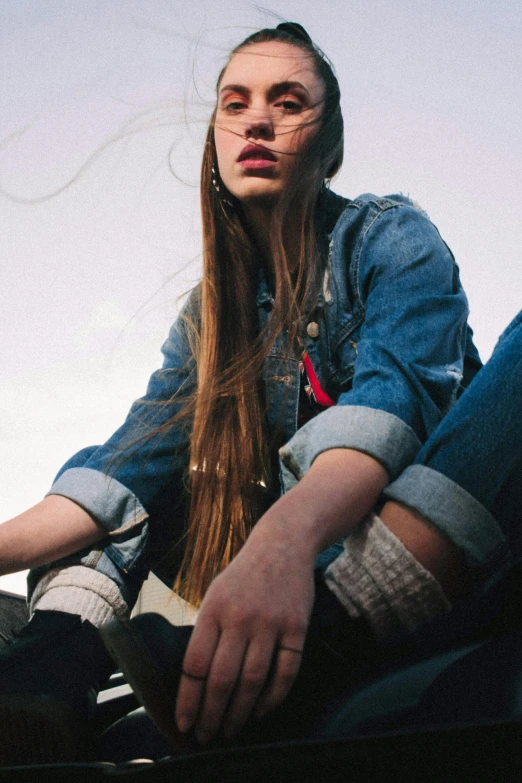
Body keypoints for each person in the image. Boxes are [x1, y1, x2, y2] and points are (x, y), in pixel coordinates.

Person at [0, 21, 490, 765]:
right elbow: (124, 466)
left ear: (331, 147)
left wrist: (282, 541)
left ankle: (328, 635)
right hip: (289, 547)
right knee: (124, 477)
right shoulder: (211, 312)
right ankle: (45, 674)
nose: (257, 118)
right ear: (216, 139)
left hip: (404, 530)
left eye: (288, 101)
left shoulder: (390, 237)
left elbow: (393, 405)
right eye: (236, 102)